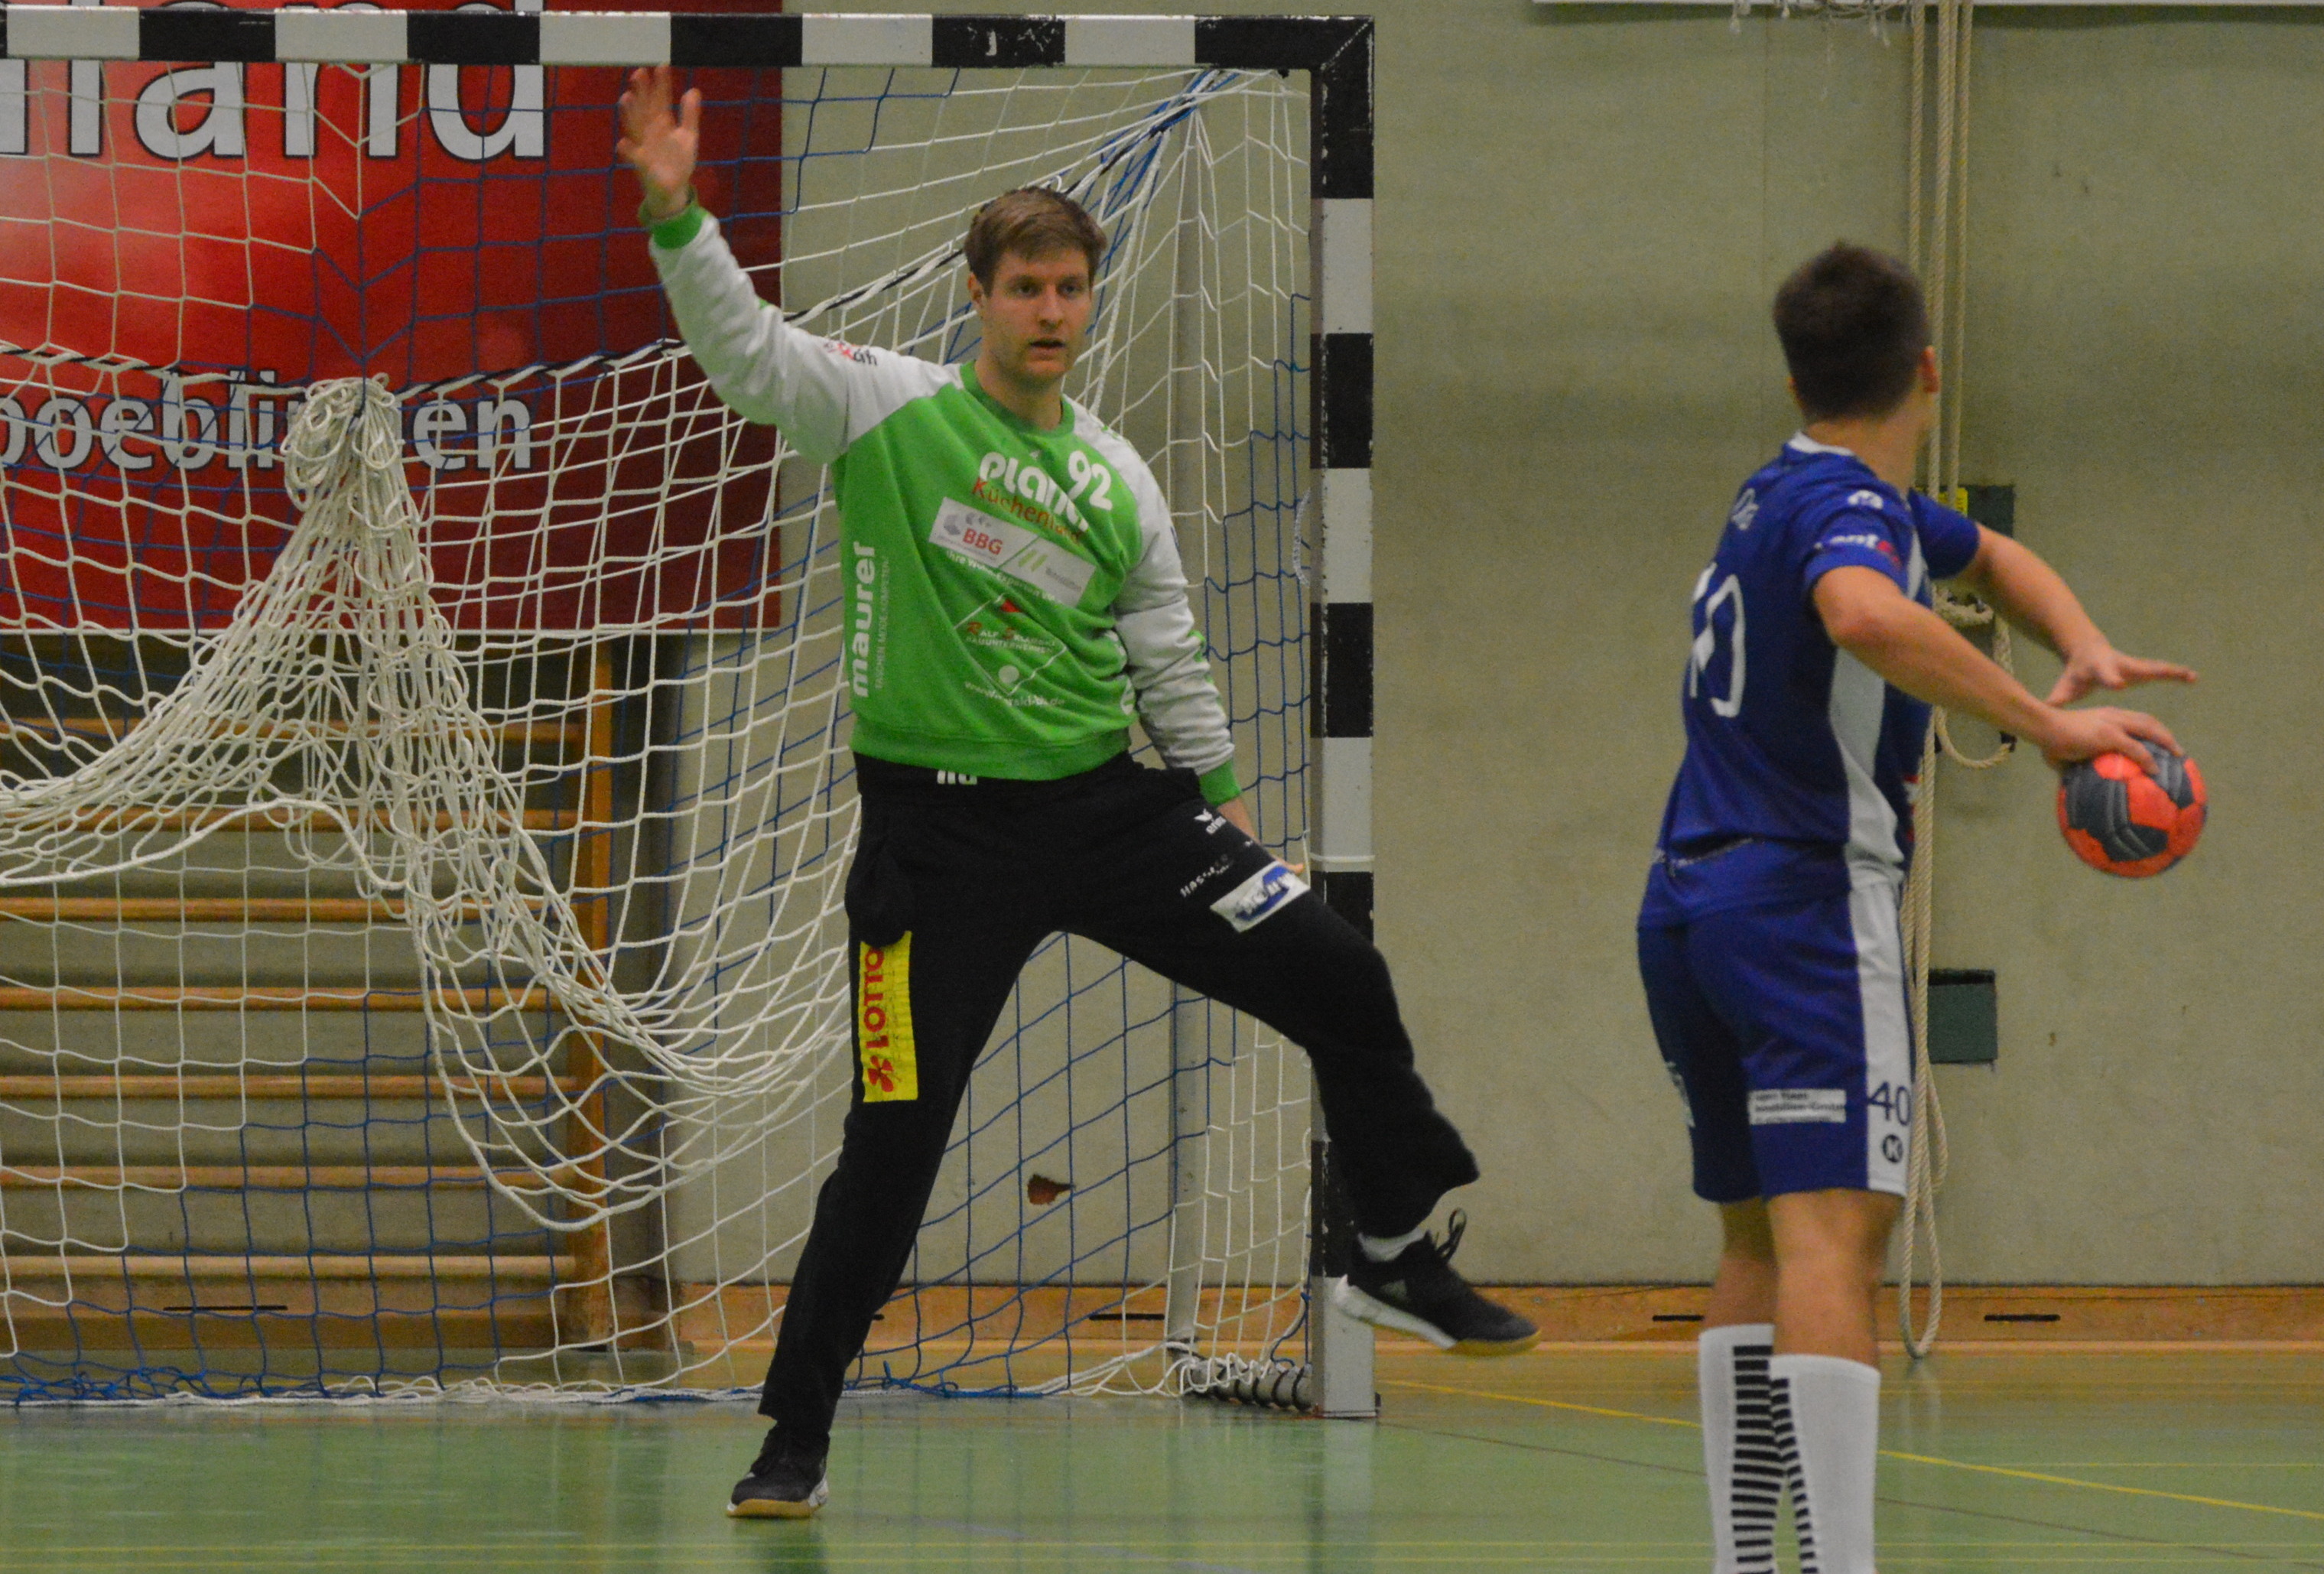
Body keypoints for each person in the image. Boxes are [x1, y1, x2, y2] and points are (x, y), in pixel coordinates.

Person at [616, 67, 1539, 1520]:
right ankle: (793, 1433)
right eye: (1027, 285)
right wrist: (678, 214)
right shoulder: (884, 411)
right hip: (935, 843)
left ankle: (1385, 1235)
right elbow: (742, 353)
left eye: (1071, 289)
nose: (1052, 310)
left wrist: (1231, 812)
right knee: (892, 1144)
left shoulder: (1115, 477)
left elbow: (1168, 655)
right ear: (979, 294)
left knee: (1337, 970)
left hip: (1113, 817)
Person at [1638, 242, 2196, 1574]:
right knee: (1838, 1232)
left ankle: (1749, 1560)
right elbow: (1869, 616)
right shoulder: (1853, 518)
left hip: (1688, 903)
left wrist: (2082, 642)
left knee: (1758, 1235)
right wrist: (2049, 729)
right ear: (1929, 370)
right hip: (1805, 902)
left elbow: (1989, 551)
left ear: (1794, 372)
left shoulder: (1779, 485)